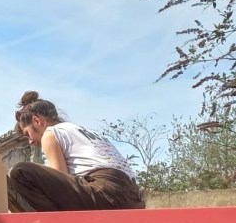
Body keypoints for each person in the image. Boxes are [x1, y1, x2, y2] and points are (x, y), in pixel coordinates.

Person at [9, 90, 144, 212]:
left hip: (105, 192)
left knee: (20, 172)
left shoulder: (51, 133)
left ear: (37, 120)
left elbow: (59, 181)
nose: (30, 141)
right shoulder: (82, 130)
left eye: (27, 134)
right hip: (134, 199)